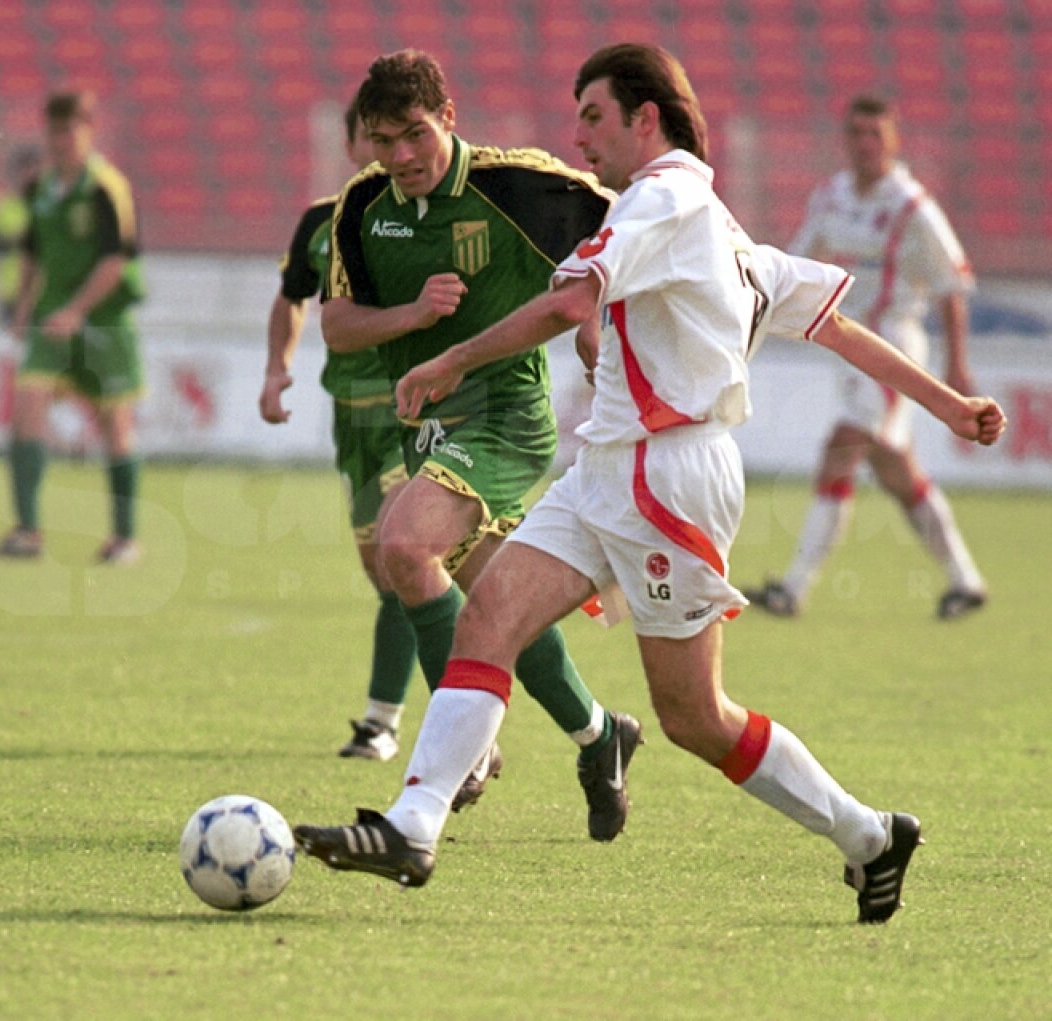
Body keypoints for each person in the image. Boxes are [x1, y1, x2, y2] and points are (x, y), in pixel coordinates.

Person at [293, 44, 1007, 923]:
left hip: (669, 475)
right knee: (488, 618)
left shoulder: (662, 198)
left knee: (696, 716)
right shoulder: (717, 228)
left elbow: (566, 303)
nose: (579, 134)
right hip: (609, 462)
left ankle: (870, 835)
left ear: (646, 117)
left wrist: (453, 358)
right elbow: (838, 326)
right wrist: (948, 405)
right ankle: (414, 823)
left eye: (593, 115)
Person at [318, 49, 644, 839]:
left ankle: (461, 751)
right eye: (382, 140)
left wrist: (597, 325)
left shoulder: (521, 186)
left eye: (415, 135)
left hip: (505, 415)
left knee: (404, 543)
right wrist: (413, 318)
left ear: (449, 119)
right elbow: (335, 323)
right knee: (498, 606)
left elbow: (640, 232)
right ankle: (602, 736)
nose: (400, 156)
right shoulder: (362, 206)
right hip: (427, 424)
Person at [745, 94, 987, 621]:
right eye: (856, 133)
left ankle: (793, 588)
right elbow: (797, 260)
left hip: (894, 346)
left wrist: (956, 365)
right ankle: (965, 581)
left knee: (842, 446)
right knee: (896, 471)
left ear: (894, 142)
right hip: (849, 347)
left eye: (875, 134)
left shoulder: (912, 207)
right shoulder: (832, 197)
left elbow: (953, 285)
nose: (864, 144)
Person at [258, 102, 418, 762]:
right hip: (351, 419)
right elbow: (292, 296)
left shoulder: (417, 218)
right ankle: (460, 694)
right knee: (385, 577)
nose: (380, 147)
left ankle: (387, 721)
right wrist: (276, 370)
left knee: (406, 561)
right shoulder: (321, 223)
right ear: (352, 141)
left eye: (392, 136)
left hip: (412, 413)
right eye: (370, 134)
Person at [0, 89, 146, 564]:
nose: (61, 141)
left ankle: (124, 539)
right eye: (54, 131)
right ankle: (28, 532)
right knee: (27, 406)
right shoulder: (39, 188)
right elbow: (34, 254)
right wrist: (23, 310)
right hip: (51, 320)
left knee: (113, 426)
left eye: (69, 130)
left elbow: (116, 262)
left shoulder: (106, 188)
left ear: (89, 131)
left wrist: (76, 310)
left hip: (101, 319)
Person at [0, 144, 43, 326]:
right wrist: (18, 240)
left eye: (33, 168)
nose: (29, 175)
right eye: (24, 169)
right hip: (11, 291)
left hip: (43, 292)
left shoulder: (52, 206)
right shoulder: (2, 206)